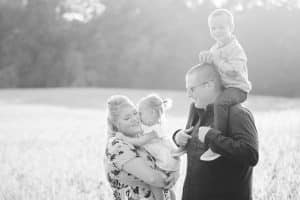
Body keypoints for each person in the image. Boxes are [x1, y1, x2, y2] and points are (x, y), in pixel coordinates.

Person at [172, 63, 259, 200]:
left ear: (209, 85)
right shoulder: (198, 111)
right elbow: (194, 144)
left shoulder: (238, 113)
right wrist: (177, 136)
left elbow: (250, 154)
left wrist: (211, 137)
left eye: (192, 89)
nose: (188, 94)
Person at [198, 8, 252, 160]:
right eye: (213, 28)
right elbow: (212, 70)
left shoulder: (236, 48)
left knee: (221, 103)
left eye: (221, 27)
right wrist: (206, 58)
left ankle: (217, 144)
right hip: (223, 87)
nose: (217, 31)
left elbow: (234, 71)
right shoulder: (214, 48)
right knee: (202, 99)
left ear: (231, 28)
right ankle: (193, 136)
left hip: (237, 88)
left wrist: (217, 60)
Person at [104, 95, 179, 200]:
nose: (134, 119)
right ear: (116, 125)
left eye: (135, 113)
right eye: (127, 118)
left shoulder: (144, 140)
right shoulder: (117, 145)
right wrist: (169, 178)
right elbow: (153, 178)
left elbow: (170, 152)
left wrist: (175, 173)